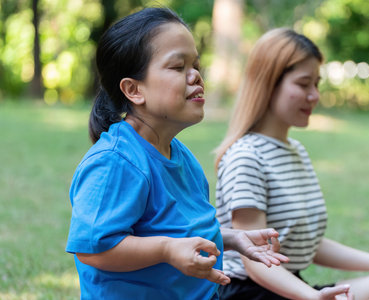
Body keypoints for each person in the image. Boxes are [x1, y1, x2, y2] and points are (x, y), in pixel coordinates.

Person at [65, 8, 288, 300]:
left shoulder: (182, 157)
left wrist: (230, 239)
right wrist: (167, 250)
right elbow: (94, 247)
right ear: (134, 89)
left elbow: (179, 229)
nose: (196, 75)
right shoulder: (116, 161)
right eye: (178, 67)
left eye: (196, 64)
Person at [214, 28, 369, 300]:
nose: (314, 95)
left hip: (290, 288)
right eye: (303, 84)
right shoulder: (246, 157)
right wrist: (312, 297)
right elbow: (255, 263)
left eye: (316, 84)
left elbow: (308, 245)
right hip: (251, 293)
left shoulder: (295, 151)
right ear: (269, 83)